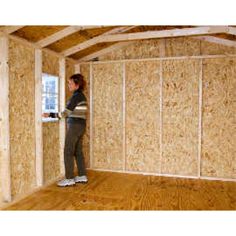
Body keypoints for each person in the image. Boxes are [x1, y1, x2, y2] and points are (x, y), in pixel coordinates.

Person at [43, 73, 88, 187]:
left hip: (74, 126)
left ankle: (69, 178)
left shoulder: (76, 97)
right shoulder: (81, 96)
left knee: (68, 151)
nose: (68, 85)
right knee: (78, 151)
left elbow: (65, 113)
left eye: (70, 83)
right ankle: (82, 175)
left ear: (76, 85)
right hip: (81, 126)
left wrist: (50, 114)